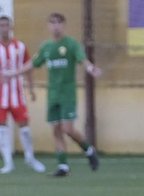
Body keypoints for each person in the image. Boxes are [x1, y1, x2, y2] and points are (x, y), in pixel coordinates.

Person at [18, 13, 101, 176]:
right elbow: (33, 64)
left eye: (58, 23)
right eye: (52, 23)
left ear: (64, 25)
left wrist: (91, 68)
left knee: (67, 128)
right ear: (49, 26)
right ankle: (63, 166)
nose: (55, 26)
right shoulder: (46, 47)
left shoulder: (71, 44)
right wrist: (13, 73)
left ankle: (89, 150)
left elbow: (82, 59)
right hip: (53, 95)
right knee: (56, 130)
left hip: (67, 94)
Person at [0, 15, 44, 174]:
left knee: (24, 127)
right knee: (1, 127)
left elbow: (28, 67)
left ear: (11, 27)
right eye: (1, 25)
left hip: (17, 94)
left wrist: (31, 88)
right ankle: (8, 162)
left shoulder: (20, 47)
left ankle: (30, 157)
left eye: (6, 25)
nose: (4, 28)